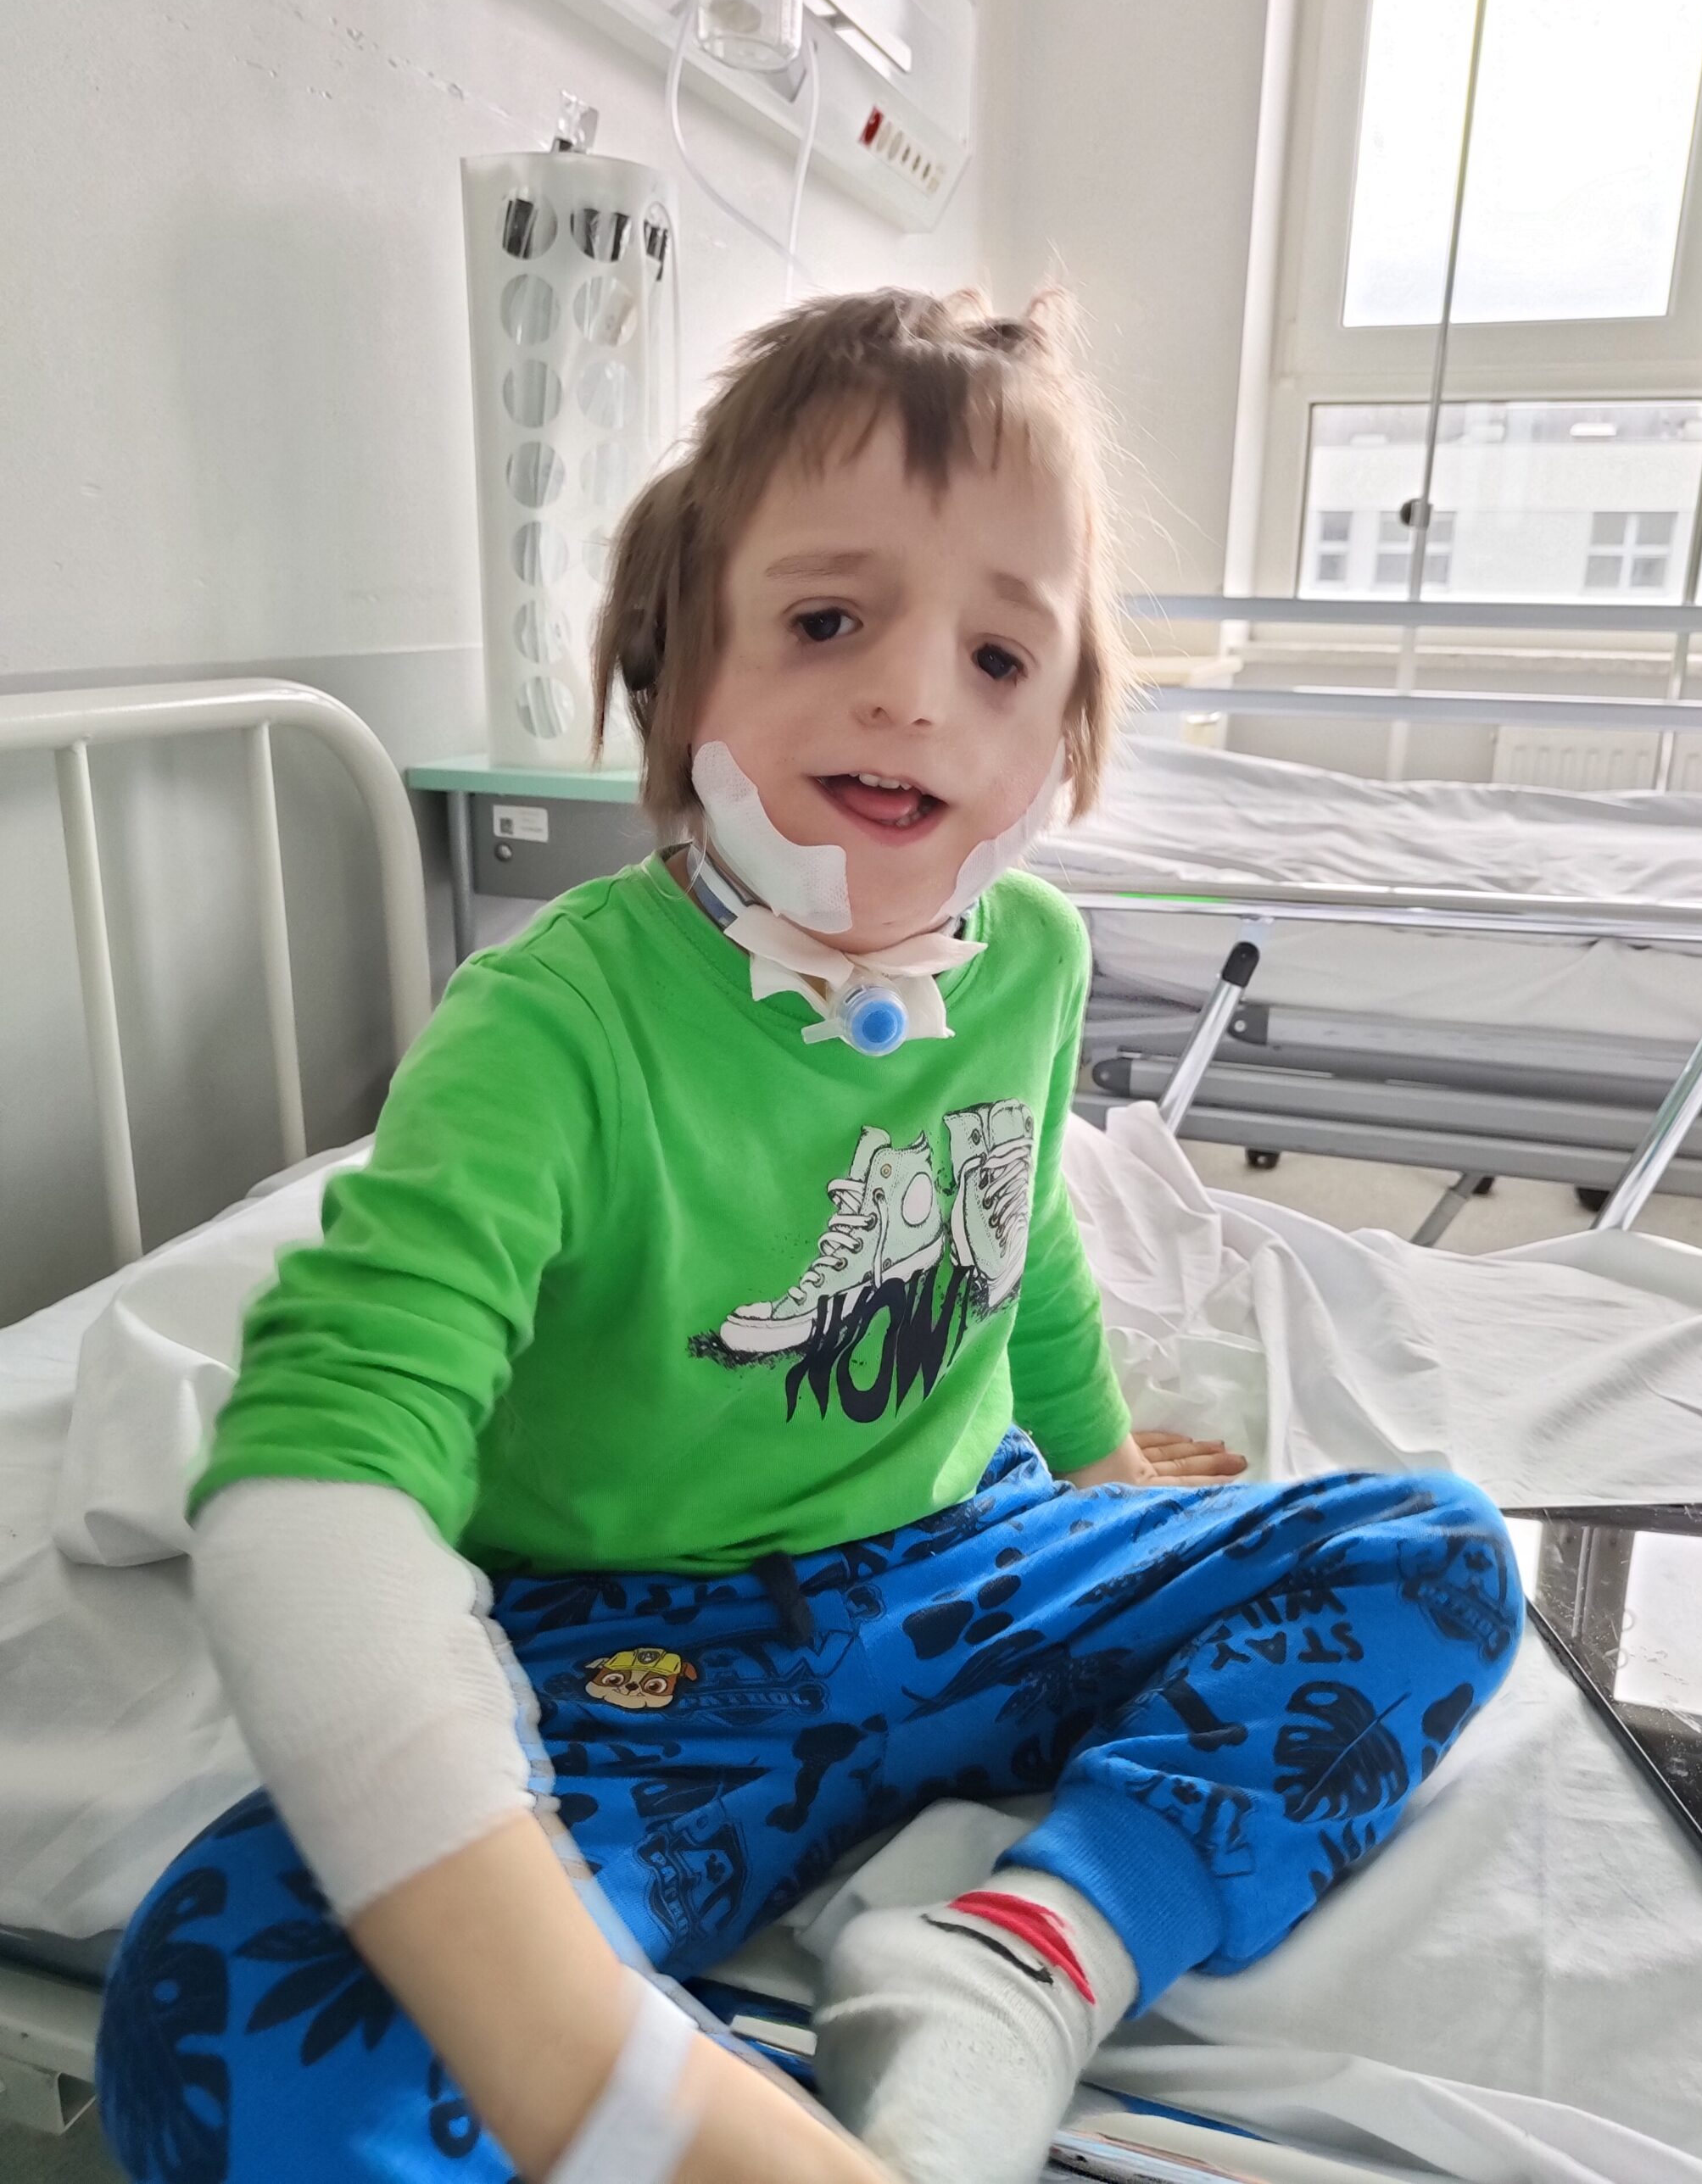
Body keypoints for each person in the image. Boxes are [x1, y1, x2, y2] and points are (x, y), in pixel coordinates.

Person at [98, 289, 1522, 2184]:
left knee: (1435, 1551)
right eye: (829, 622)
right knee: (217, 2015)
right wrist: (595, 2079)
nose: (917, 695)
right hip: (632, 1660)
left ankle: (1019, 1957)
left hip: (967, 1564)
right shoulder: (551, 1027)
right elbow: (329, 1450)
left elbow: (1015, 1223)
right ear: (676, 664)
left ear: (1062, 742)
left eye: (1000, 656)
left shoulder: (1031, 959)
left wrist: (1096, 1469)